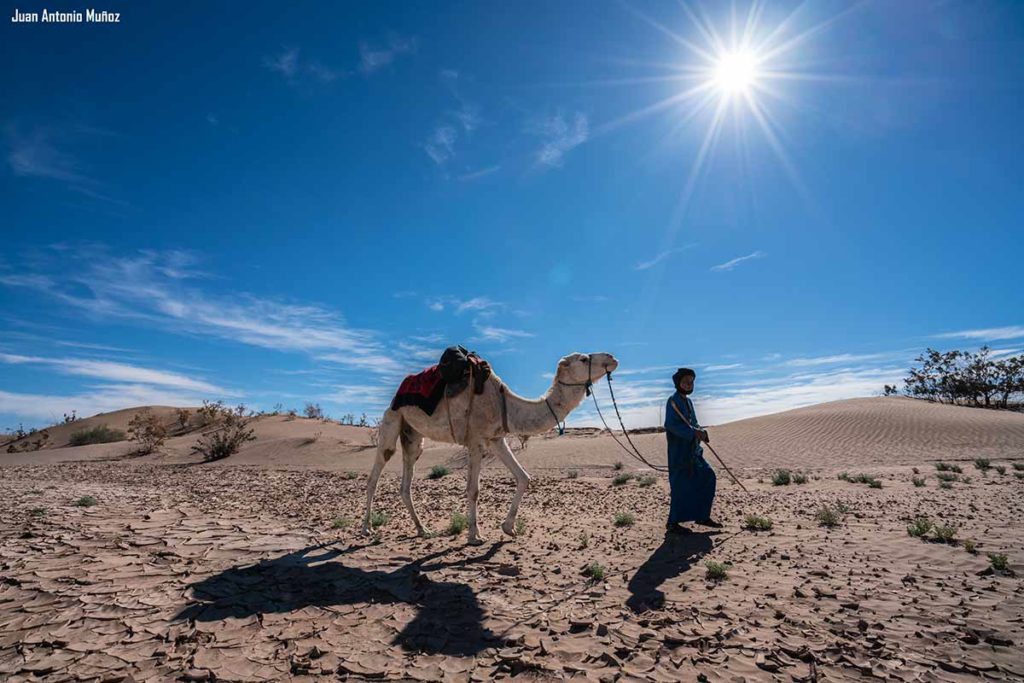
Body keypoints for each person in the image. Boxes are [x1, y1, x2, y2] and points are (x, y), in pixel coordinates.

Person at [664, 367, 721, 534]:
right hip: (679, 451)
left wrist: (701, 433)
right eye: (685, 382)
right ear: (678, 383)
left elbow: (694, 422)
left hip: (693, 451)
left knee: (707, 476)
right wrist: (692, 433)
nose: (689, 384)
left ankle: (702, 516)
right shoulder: (672, 401)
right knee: (680, 486)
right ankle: (673, 523)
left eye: (691, 381)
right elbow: (671, 425)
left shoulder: (688, 402)